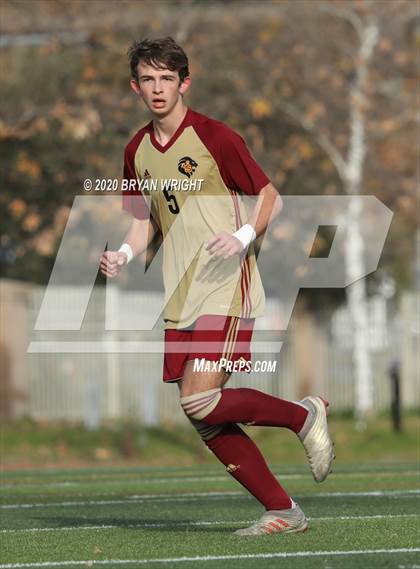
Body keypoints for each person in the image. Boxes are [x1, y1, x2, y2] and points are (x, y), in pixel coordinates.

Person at [100, 36, 334, 536]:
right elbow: (144, 223)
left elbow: (270, 196)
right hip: (181, 293)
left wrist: (244, 233)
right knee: (204, 415)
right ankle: (283, 511)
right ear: (135, 87)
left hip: (227, 284)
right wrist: (121, 254)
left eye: (168, 78)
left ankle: (301, 415)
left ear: (185, 83)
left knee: (199, 400)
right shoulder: (136, 150)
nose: (158, 88)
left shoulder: (215, 136)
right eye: (148, 79)